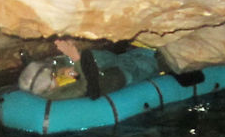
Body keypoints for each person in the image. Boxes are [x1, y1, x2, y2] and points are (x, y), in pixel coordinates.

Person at [18, 39, 170, 100]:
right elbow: (87, 87)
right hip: (115, 77)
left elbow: (58, 72)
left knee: (121, 59)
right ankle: (156, 57)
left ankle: (138, 53)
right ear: (49, 86)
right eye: (52, 75)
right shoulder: (60, 94)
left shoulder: (49, 86)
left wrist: (66, 63)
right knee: (141, 65)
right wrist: (75, 58)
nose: (54, 73)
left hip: (110, 68)